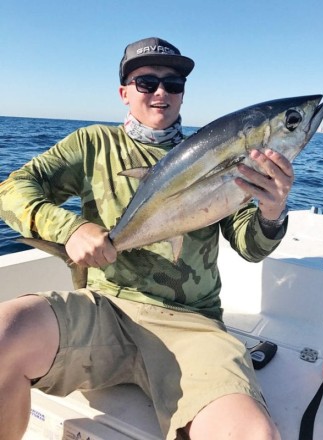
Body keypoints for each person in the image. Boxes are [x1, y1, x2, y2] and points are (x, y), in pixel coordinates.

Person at [0, 37, 294, 440]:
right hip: (104, 308)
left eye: (173, 84)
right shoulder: (92, 145)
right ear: (124, 92)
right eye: (146, 82)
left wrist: (272, 213)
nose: (161, 92)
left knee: (251, 433)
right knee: (4, 333)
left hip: (194, 324)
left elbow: (249, 247)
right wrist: (69, 229)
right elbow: (12, 190)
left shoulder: (219, 154)